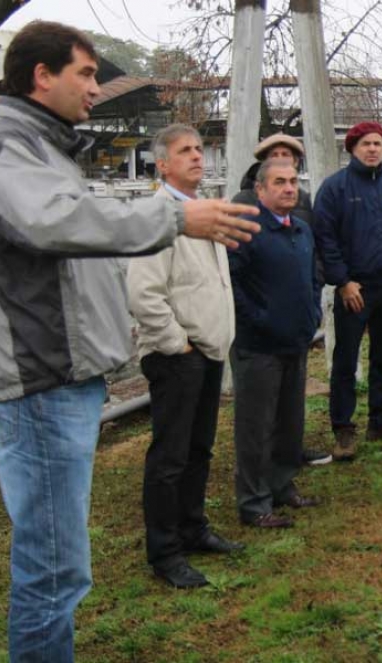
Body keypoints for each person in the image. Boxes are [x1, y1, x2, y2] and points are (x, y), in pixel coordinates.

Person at [0, 21, 258, 662]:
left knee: (60, 565)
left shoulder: (43, 151)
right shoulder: (7, 149)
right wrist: (174, 216)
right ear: (42, 75)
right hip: (39, 383)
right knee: (55, 568)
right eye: (86, 74)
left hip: (62, 379)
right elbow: (59, 223)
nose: (96, 88)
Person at [127, 124, 244, 589]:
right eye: (185, 151)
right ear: (162, 163)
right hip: (177, 354)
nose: (197, 156)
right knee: (170, 456)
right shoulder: (157, 215)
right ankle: (164, 550)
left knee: (199, 448)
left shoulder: (201, 211)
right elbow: (144, 294)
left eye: (200, 149)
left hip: (209, 349)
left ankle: (193, 528)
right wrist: (178, 343)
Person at [314, 121, 382, 460]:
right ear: (352, 149)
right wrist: (343, 281)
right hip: (354, 290)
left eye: (377, 143)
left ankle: (381, 419)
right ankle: (343, 429)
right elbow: (325, 239)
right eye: (365, 144)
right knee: (345, 361)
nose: (373, 149)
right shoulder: (335, 189)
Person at [229, 158, 323, 528]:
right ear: (261, 190)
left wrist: (313, 310)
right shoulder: (247, 230)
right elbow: (235, 286)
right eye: (280, 182)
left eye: (293, 181)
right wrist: (260, 319)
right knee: (256, 425)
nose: (289, 188)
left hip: (295, 340)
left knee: (289, 421)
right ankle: (253, 502)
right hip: (258, 346)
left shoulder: (300, 229)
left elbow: (312, 276)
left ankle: (282, 484)